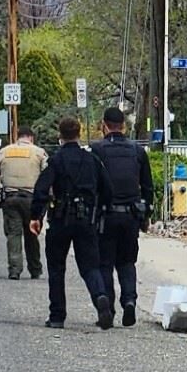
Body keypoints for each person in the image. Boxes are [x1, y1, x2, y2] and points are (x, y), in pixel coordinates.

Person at [30, 118, 114, 330]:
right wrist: (98, 210)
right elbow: (108, 190)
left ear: (60, 135)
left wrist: (36, 216)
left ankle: (57, 316)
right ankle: (100, 296)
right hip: (86, 219)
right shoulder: (92, 160)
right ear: (79, 133)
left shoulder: (56, 161)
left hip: (60, 218)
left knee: (56, 268)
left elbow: (41, 189)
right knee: (90, 266)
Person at [91, 107, 154, 328]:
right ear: (124, 127)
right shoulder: (137, 151)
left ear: (104, 125)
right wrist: (146, 215)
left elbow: (92, 184)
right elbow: (148, 187)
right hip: (131, 215)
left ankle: (107, 308)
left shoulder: (97, 150)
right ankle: (129, 300)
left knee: (105, 264)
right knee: (127, 262)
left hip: (106, 216)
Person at [0, 127, 48, 280]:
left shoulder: (5, 151)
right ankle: (35, 269)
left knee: (13, 234)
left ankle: (14, 269)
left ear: (18, 136)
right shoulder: (39, 152)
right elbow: (47, 174)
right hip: (31, 199)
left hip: (10, 198)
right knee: (32, 233)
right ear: (31, 137)